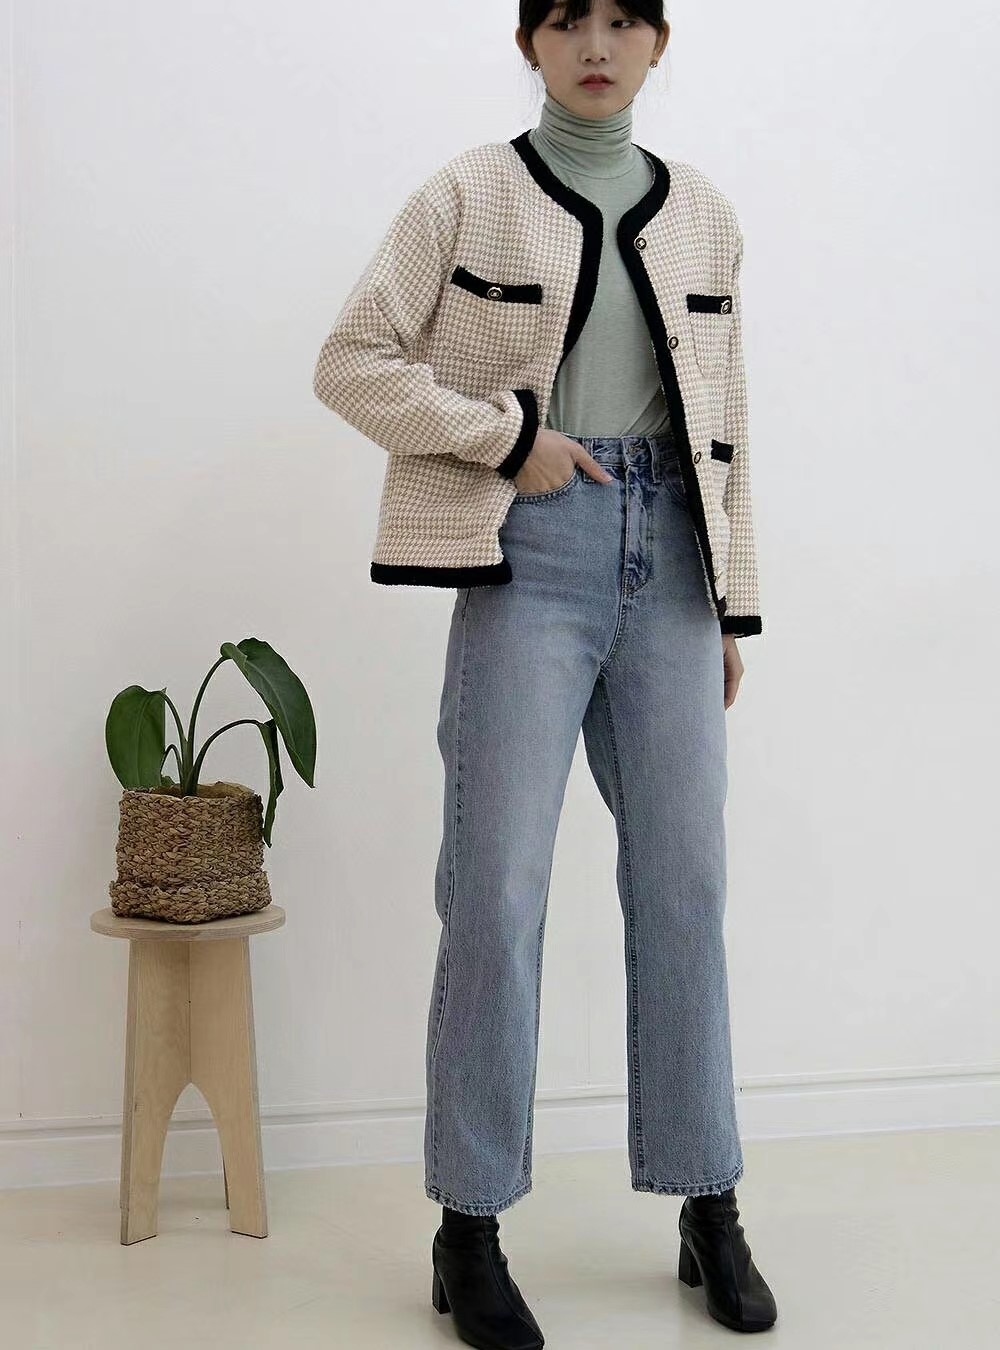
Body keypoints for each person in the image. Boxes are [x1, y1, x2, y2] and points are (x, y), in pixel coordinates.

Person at [313, 2, 777, 1344]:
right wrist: (505, 440)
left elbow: (730, 419)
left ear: (659, 42)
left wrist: (729, 602)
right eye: (568, 20)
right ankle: (467, 1228)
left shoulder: (706, 213)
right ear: (530, 42)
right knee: (497, 893)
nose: (596, 44)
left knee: (686, 885)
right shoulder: (467, 192)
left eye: (624, 21)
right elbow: (350, 361)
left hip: (674, 560)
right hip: (532, 555)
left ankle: (708, 1197)